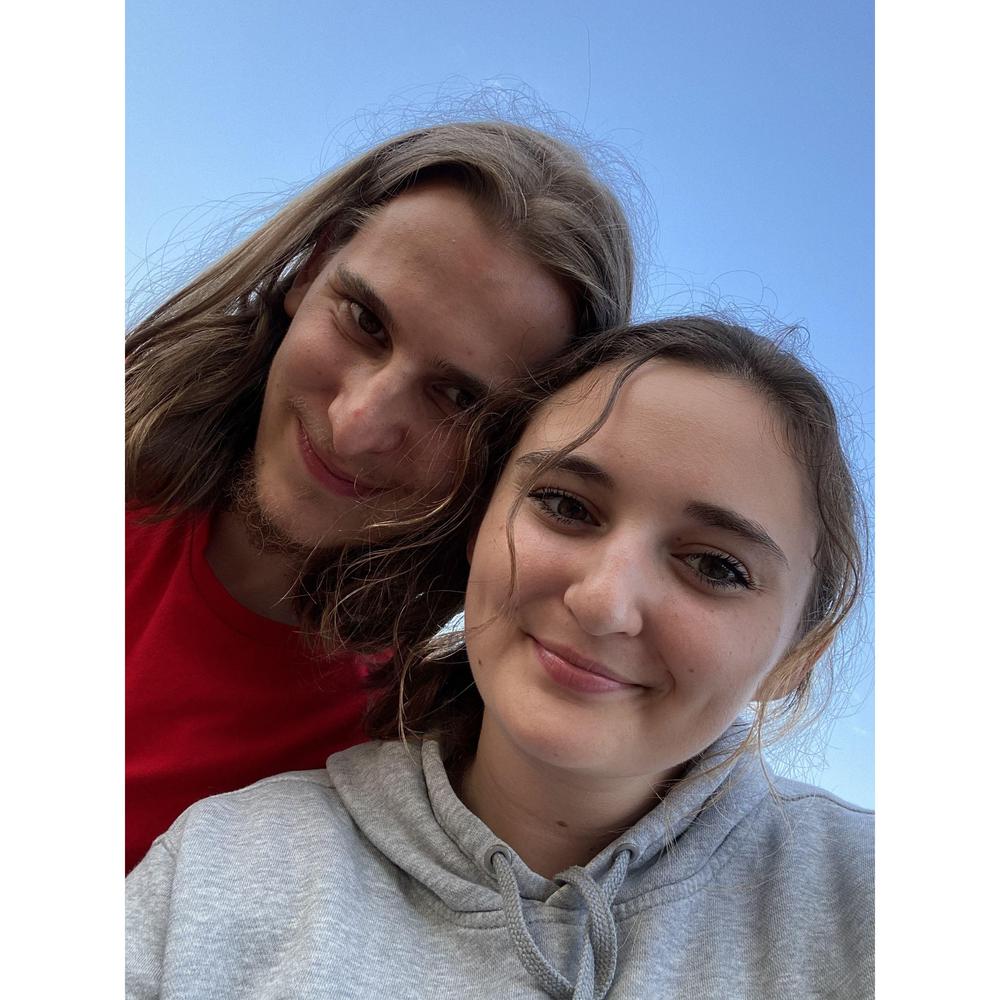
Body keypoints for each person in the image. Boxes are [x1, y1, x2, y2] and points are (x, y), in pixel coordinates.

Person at [126, 316, 873, 999]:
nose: (602, 603)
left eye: (715, 566)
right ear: (477, 524)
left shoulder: (871, 904)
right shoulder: (223, 861)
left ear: (798, 656)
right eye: (566, 505)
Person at [125, 120, 636, 872]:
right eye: (365, 321)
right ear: (309, 271)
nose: (357, 423)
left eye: (456, 397)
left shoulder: (398, 780)